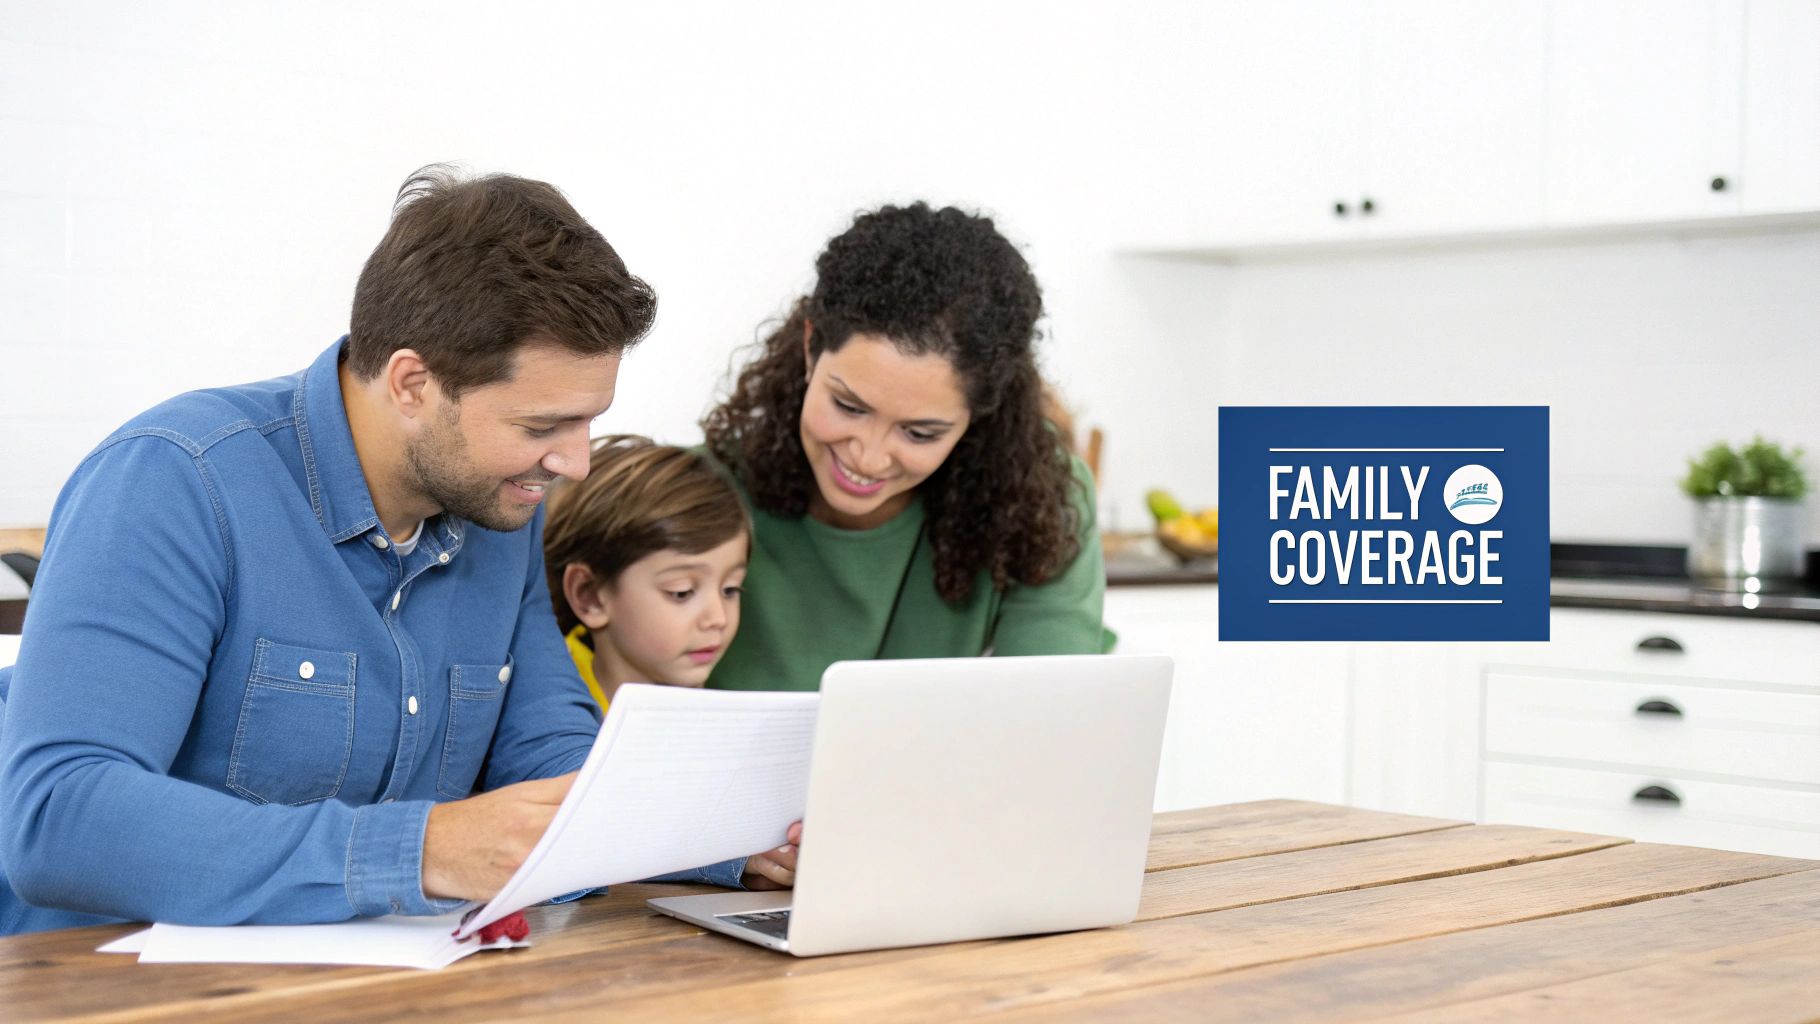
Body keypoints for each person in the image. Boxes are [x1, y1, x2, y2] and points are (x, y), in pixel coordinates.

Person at [0, 167, 787, 936]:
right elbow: (59, 815)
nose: (575, 463)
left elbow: (550, 758)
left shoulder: (502, 508)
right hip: (117, 985)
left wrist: (725, 841)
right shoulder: (174, 481)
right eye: (542, 426)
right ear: (413, 383)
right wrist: (424, 850)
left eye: (587, 422)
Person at [700, 201, 1111, 693]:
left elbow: (1050, 714)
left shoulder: (1040, 502)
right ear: (812, 347)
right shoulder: (699, 493)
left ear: (978, 415)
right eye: (849, 406)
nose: (868, 458)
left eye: (920, 433)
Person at [542, 436, 750, 710]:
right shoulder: (545, 703)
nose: (718, 618)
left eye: (730, 589)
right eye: (682, 592)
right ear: (589, 595)